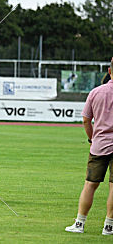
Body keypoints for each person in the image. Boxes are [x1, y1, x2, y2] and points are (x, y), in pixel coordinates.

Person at [65, 57, 113, 235]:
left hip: (99, 145)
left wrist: (92, 138)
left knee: (90, 184)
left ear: (109, 71)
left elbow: (86, 119)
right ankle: (109, 226)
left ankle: (79, 223)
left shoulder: (95, 92)